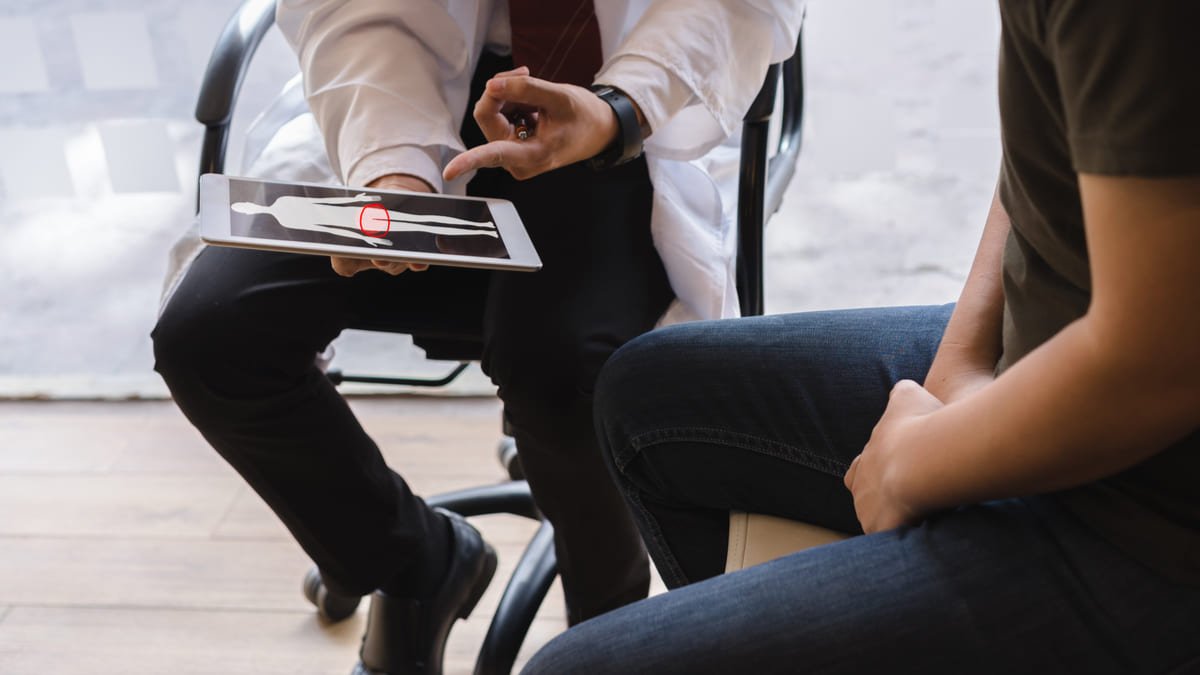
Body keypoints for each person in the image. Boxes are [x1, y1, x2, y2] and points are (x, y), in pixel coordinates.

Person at [521, 1, 1200, 673]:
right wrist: (956, 369)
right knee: (645, 399)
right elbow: (1054, 140)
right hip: (1065, 345)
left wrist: (917, 460)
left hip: (1146, 514)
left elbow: (1161, 360)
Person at [152, 1, 804, 673]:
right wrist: (392, 166)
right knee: (210, 335)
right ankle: (417, 564)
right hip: (400, 75)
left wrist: (621, 108)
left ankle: (609, 627)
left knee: (560, 362)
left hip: (619, 97)